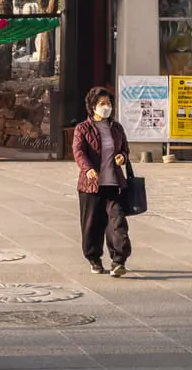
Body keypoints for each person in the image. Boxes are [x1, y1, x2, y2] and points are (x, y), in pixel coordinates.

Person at [72, 85, 132, 276]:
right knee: (92, 225)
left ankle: (118, 261)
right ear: (92, 106)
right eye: (102, 104)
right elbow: (78, 151)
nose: (106, 107)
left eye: (108, 103)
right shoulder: (82, 128)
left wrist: (122, 156)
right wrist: (88, 168)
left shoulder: (116, 128)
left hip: (113, 184)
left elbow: (124, 149)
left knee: (118, 222)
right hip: (91, 186)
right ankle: (94, 258)